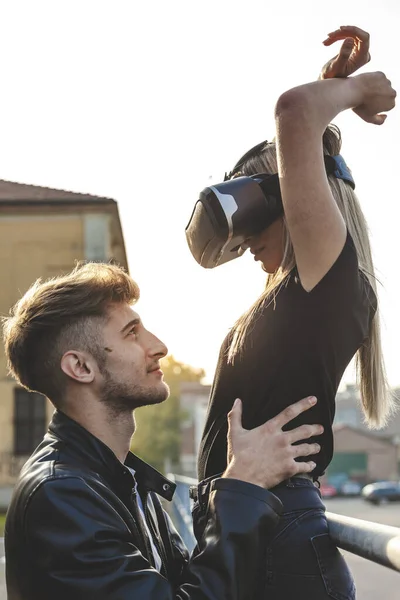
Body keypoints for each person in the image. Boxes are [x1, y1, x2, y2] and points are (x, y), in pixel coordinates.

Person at [197, 26, 397, 599]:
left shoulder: (328, 285)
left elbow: (293, 113)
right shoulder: (302, 292)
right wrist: (330, 99)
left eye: (258, 214)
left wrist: (356, 90)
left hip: (280, 540)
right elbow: (305, 133)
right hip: (251, 526)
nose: (245, 237)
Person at [3, 261, 324, 600]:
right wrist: (242, 487)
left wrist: (237, 483)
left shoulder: (123, 479)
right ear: (81, 367)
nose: (158, 346)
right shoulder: (61, 496)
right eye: (131, 333)